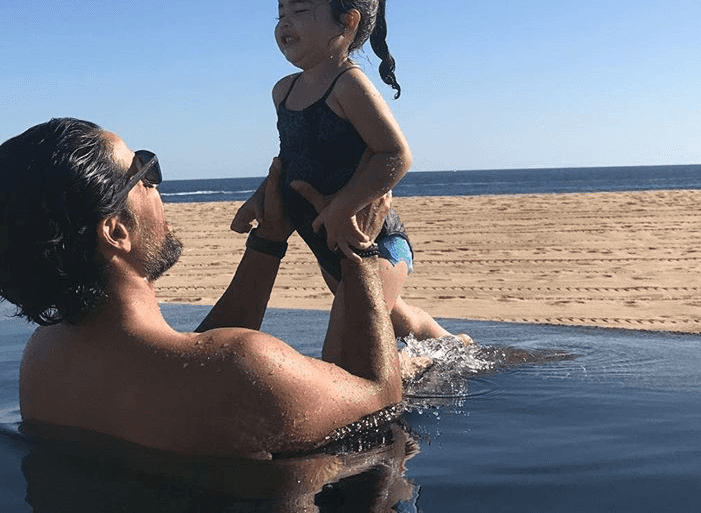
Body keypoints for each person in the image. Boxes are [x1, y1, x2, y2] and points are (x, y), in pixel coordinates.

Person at [0, 117, 406, 459]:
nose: (157, 185)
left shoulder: (45, 358)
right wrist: (359, 252)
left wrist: (269, 238)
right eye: (144, 172)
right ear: (116, 230)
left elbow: (192, 369)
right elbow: (381, 399)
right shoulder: (247, 369)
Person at [231, 0, 459, 341]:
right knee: (389, 317)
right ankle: (449, 345)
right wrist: (257, 200)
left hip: (375, 240)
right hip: (326, 243)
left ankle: (434, 352)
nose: (285, 21)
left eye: (300, 9)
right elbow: (290, 160)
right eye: (280, 11)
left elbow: (395, 154)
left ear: (347, 21)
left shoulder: (348, 85)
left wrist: (344, 206)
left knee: (355, 327)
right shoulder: (283, 91)